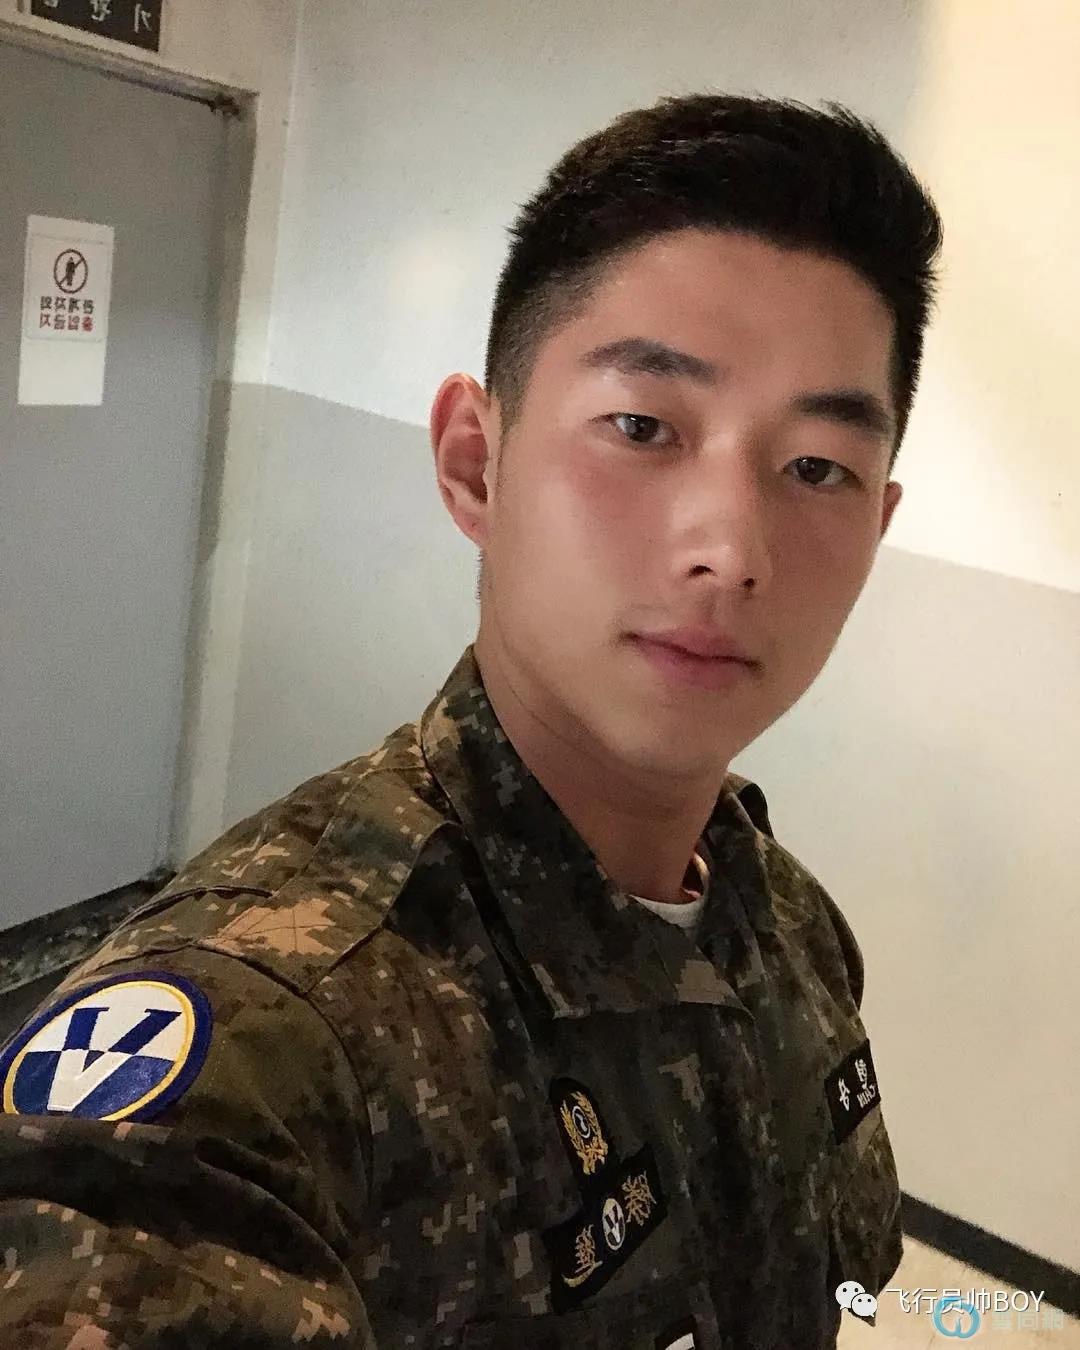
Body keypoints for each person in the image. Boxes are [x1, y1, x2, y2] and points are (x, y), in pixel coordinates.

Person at [0, 91, 942, 1347]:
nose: (731, 549)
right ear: (474, 464)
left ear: (877, 525)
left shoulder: (788, 927)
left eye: (817, 467)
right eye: (642, 427)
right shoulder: (272, 1047)